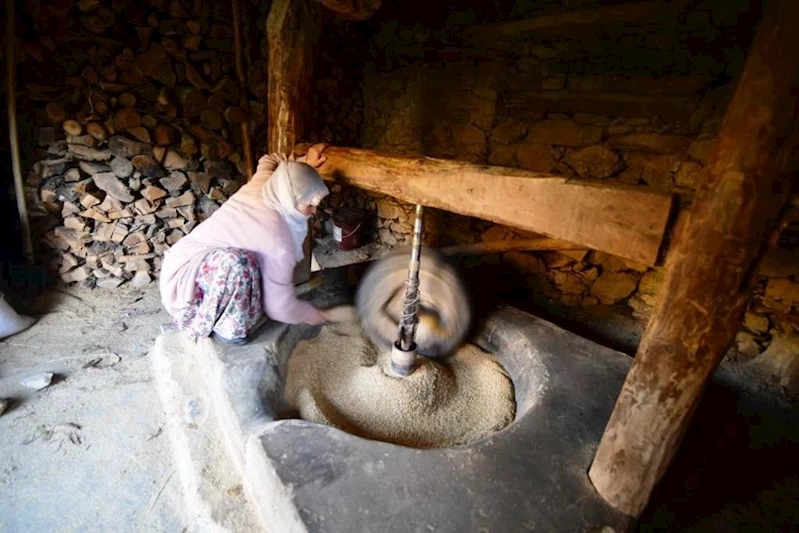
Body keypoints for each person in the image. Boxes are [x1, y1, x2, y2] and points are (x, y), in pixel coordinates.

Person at [159, 144, 335, 345]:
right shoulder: (277, 240)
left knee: (248, 266)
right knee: (239, 263)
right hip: (185, 288)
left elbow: (269, 160)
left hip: (189, 264)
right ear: (289, 199)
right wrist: (310, 312)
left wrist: (305, 164)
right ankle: (228, 330)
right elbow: (278, 307)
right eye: (308, 205)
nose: (313, 211)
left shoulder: (269, 182)